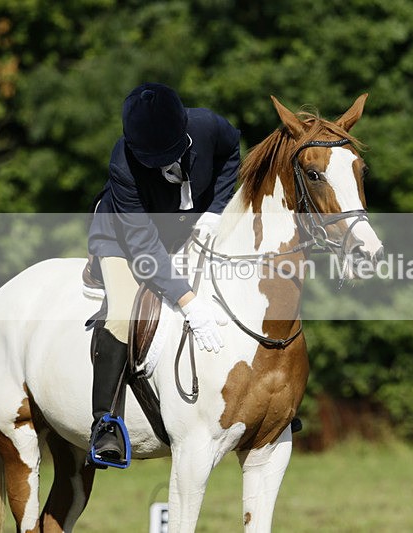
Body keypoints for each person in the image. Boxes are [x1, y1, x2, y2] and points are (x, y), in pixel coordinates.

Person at [86, 82, 240, 464]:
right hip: (123, 240)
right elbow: (144, 248)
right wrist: (188, 302)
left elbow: (232, 154)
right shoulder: (124, 164)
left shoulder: (208, 126)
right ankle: (104, 422)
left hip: (186, 227)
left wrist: (216, 211)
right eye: (151, 158)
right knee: (123, 312)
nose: (159, 164)